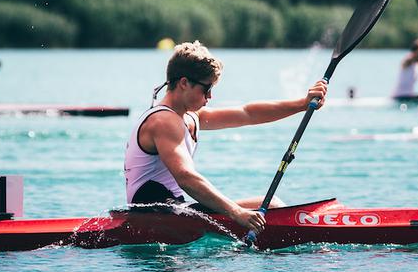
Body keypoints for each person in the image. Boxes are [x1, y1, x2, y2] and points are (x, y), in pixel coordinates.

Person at [125, 40, 328, 234]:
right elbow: (186, 177)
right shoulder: (163, 122)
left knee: (271, 205)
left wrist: (302, 104)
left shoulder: (189, 117)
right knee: (272, 206)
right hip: (151, 217)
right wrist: (236, 212)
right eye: (207, 89)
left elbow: (248, 113)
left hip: (172, 210)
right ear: (184, 83)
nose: (210, 97)